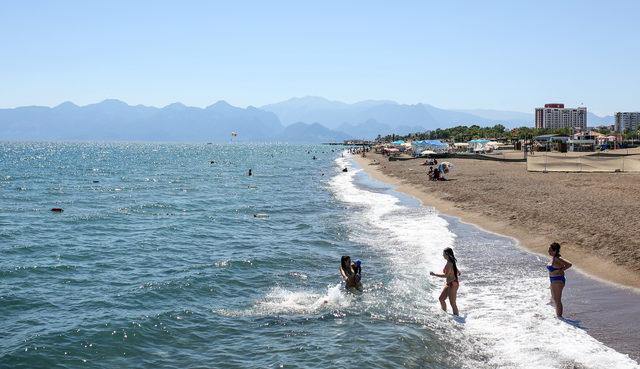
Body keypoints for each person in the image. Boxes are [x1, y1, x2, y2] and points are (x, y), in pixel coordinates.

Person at [430, 247, 460, 315]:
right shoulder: (451, 262)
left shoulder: (449, 263)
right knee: (441, 299)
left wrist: (434, 274)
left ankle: (458, 320)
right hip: (450, 284)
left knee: (452, 303)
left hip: (453, 284)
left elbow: (446, 276)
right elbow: (457, 271)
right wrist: (456, 273)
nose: (443, 255)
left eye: (443, 254)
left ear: (447, 254)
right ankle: (444, 314)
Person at [547, 242, 572, 318]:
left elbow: (569, 264)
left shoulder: (558, 258)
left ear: (555, 251)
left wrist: (561, 270)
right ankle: (557, 315)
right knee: (554, 299)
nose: (548, 251)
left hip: (557, 280)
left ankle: (560, 319)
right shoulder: (554, 258)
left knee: (557, 300)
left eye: (550, 250)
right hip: (553, 280)